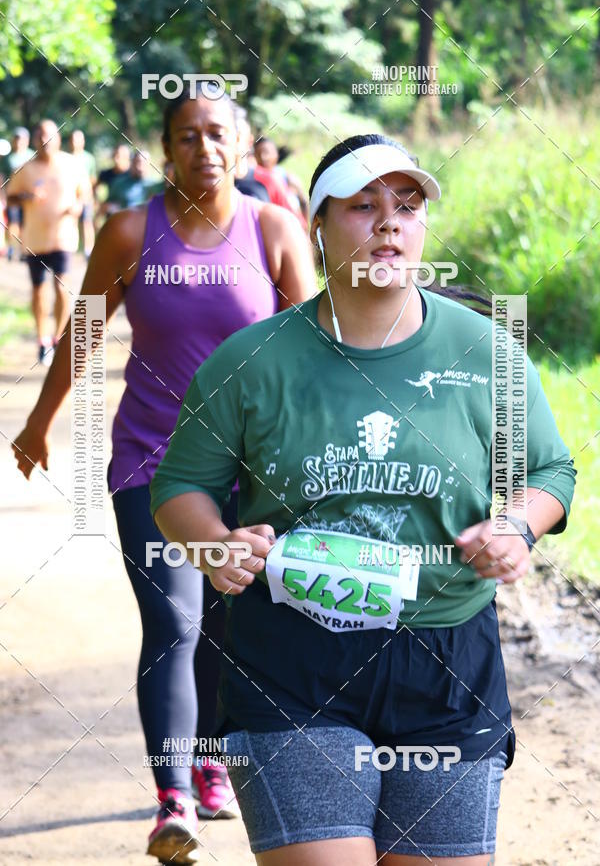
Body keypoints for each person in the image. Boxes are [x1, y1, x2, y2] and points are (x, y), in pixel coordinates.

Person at [150, 133, 577, 866]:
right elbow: (179, 486)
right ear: (316, 224)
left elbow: (550, 470)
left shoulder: (485, 352)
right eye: (363, 206)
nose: (389, 222)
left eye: (407, 206)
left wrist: (517, 524)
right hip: (291, 657)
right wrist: (215, 544)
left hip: (445, 658)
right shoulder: (252, 362)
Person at [12, 87, 316, 865]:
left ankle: (211, 757)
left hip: (252, 476)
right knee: (172, 625)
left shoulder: (276, 231)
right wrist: (40, 424)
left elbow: (318, 360)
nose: (204, 149)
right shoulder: (127, 234)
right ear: (166, 148)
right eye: (187, 136)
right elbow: (83, 335)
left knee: (227, 625)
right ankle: (171, 798)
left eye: (218, 134)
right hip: (151, 463)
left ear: (241, 145)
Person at [6, 119, 91, 363]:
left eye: (49, 136)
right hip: (34, 240)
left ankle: (59, 336)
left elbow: (84, 195)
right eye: (40, 137)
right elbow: (10, 198)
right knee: (38, 290)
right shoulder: (25, 168)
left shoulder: (71, 164)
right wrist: (27, 196)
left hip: (63, 237)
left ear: (58, 139)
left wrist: (77, 206)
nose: (45, 141)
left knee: (62, 287)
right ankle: (43, 339)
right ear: (34, 141)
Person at [254, 136, 308, 224]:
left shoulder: (287, 178)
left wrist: (305, 229)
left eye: (266, 152)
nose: (263, 157)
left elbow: (304, 201)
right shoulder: (253, 181)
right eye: (258, 154)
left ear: (276, 154)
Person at [0, 126, 35, 260]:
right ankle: (11, 248)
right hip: (12, 195)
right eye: (16, 139)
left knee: (25, 223)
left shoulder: (32, 155)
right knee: (13, 222)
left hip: (28, 196)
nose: (18, 141)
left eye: (21, 139)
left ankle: (24, 250)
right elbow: (2, 177)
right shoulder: (9, 159)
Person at [68, 129, 97, 258]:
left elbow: (93, 180)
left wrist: (91, 196)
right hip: (70, 197)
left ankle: (88, 250)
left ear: (83, 141)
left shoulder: (89, 158)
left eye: (78, 139)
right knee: (71, 223)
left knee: (87, 222)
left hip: (86, 197)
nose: (76, 142)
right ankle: (71, 248)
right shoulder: (66, 157)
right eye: (74, 139)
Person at [95, 142, 131, 216]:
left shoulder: (133, 175)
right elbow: (94, 188)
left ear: (127, 157)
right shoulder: (106, 173)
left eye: (119, 156)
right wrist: (99, 204)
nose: (116, 159)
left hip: (129, 213)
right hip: (111, 214)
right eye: (114, 155)